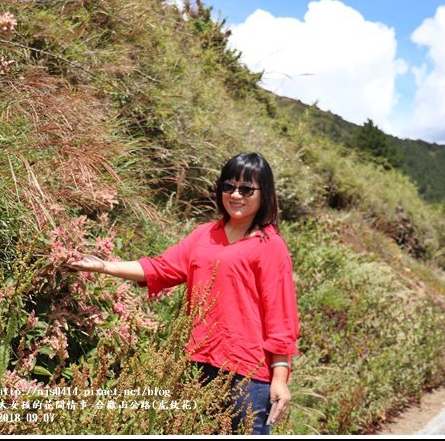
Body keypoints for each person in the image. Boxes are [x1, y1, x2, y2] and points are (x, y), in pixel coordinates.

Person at [69, 152, 300, 434]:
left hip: (248, 376)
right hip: (198, 363)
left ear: (264, 194)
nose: (235, 195)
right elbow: (161, 268)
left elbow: (281, 316)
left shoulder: (270, 245)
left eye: (246, 189)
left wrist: (280, 377)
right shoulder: (204, 235)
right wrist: (103, 266)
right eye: (228, 187)